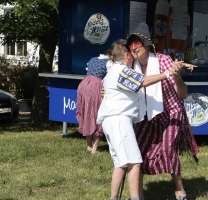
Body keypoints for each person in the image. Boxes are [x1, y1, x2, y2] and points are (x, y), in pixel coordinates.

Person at [96, 41, 190, 200]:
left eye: (138, 44)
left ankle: (114, 198)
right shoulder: (124, 70)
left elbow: (108, 90)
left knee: (121, 164)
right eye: (131, 50)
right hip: (120, 120)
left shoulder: (113, 71)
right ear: (127, 55)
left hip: (113, 121)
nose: (134, 51)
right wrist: (167, 73)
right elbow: (143, 82)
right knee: (135, 162)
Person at [125, 22, 199, 200]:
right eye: (131, 44)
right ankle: (138, 196)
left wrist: (177, 76)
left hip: (171, 112)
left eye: (138, 43)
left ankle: (180, 191)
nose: (134, 47)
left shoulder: (164, 61)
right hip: (146, 114)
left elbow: (183, 94)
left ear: (148, 45)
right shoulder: (130, 67)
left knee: (168, 149)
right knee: (139, 151)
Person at [76, 40, 123, 154]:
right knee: (98, 114)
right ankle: (95, 148)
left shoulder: (93, 59)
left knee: (87, 113)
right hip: (96, 87)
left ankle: (89, 145)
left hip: (83, 85)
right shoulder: (109, 63)